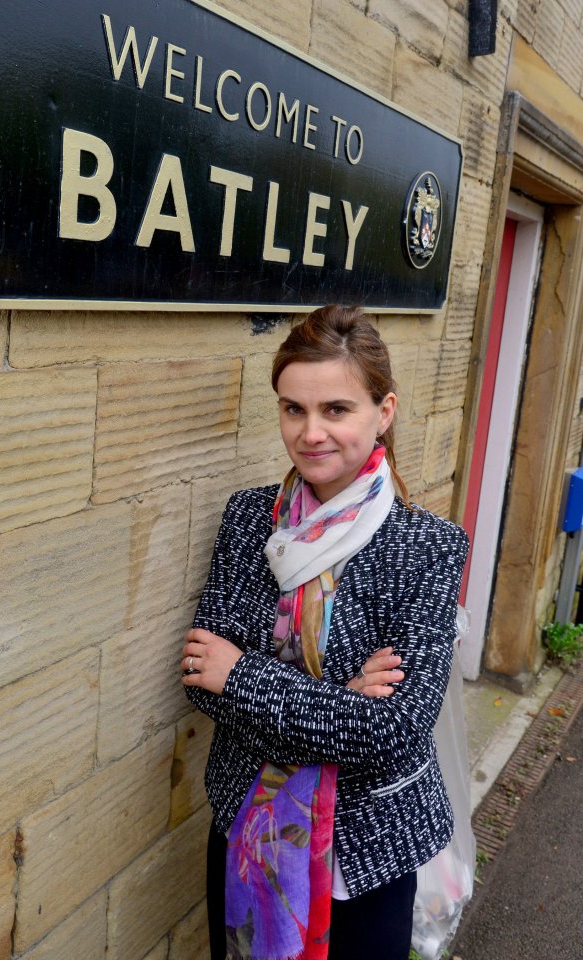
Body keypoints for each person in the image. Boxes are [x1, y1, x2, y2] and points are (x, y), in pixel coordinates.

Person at [181, 305, 469, 960]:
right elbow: (202, 676)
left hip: (367, 856)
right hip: (246, 824)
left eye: (336, 409)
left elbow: (393, 732)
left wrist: (246, 675)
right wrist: (343, 695)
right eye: (293, 409)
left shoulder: (428, 547)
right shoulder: (251, 518)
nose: (310, 433)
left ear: (383, 412)